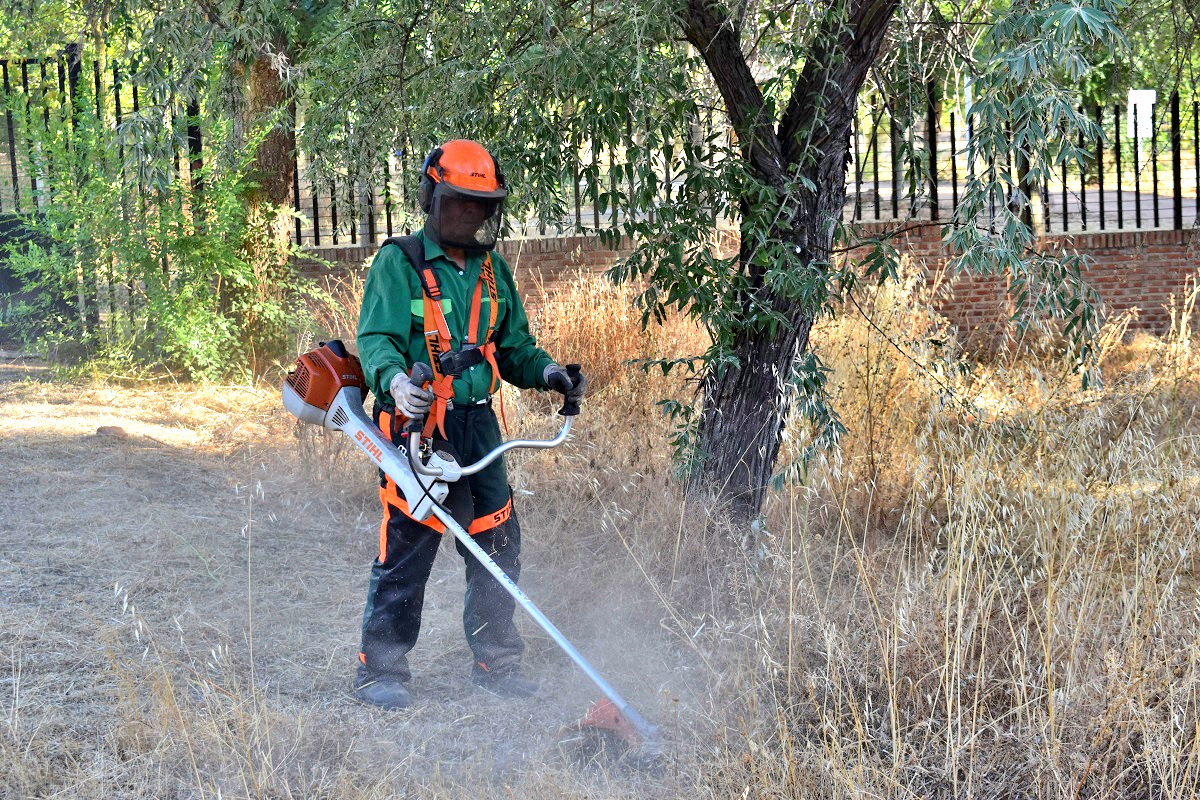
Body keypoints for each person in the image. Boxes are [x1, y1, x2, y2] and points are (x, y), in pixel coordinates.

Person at [353, 139, 586, 710]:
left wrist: (549, 372)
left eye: (481, 205)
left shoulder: (493, 272)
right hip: (420, 431)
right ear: (434, 196)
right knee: (408, 549)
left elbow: (513, 349)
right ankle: (379, 670)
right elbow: (376, 342)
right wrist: (396, 383)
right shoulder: (399, 263)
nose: (470, 214)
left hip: (480, 430)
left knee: (496, 546)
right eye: (460, 201)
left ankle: (496, 661)